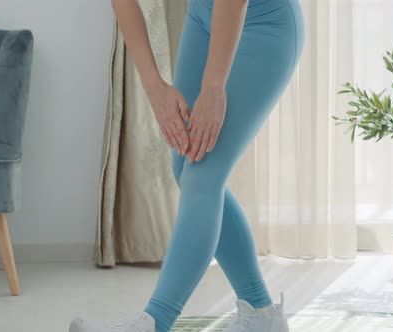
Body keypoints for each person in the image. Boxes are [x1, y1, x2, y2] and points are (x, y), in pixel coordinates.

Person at [70, 0, 304, 331]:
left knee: (203, 173)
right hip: (203, 18)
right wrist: (153, 87)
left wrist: (214, 86)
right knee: (185, 168)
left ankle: (155, 322)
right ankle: (261, 316)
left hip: (264, 23)